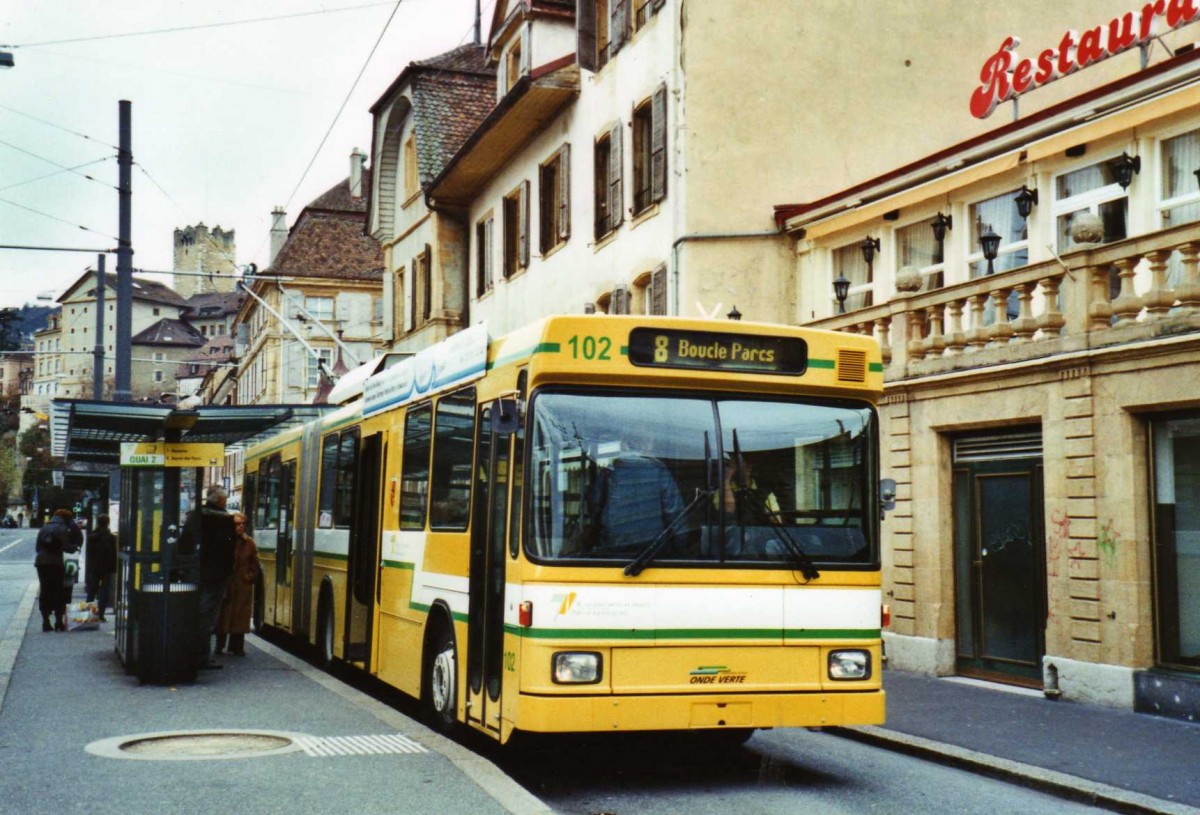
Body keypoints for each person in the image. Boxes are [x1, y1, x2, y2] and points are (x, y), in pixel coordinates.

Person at [588, 432, 686, 554]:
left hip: (614, 548)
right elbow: (675, 513)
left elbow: (595, 510)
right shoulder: (658, 470)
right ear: (647, 446)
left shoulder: (609, 472)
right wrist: (681, 549)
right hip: (652, 551)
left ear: (624, 445)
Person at [184, 484, 237, 670]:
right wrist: (228, 572)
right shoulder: (224, 519)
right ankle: (202, 656)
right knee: (208, 617)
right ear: (221, 500)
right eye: (225, 498)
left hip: (194, 572)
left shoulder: (194, 516)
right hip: (215, 575)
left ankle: (191, 652)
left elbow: (185, 543)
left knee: (196, 612)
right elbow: (229, 549)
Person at [215, 513, 259, 657]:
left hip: (242, 584)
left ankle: (237, 647)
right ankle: (219, 646)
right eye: (237, 524)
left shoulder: (249, 543)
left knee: (240, 616)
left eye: (242, 524)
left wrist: (249, 577)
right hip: (227, 583)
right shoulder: (225, 541)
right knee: (224, 616)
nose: (240, 526)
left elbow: (255, 564)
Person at [34, 508, 83, 632]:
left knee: (45, 590)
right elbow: (66, 547)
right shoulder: (63, 529)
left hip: (41, 563)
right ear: (66, 519)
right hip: (56, 563)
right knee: (58, 591)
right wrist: (74, 548)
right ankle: (58, 621)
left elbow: (37, 547)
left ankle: (45, 621)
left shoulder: (44, 528)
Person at [84, 514, 118, 623]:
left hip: (94, 567)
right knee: (104, 591)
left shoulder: (92, 536)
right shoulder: (110, 537)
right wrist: (113, 568)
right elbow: (113, 554)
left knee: (92, 590)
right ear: (108, 523)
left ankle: (88, 613)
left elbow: (89, 553)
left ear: (97, 523)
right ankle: (101, 614)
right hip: (107, 568)